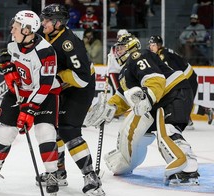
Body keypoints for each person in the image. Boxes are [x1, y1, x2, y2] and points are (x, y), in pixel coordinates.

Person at [85, 33, 200, 186]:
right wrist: (109, 108)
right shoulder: (125, 72)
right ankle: (128, 160)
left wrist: (148, 97)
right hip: (161, 100)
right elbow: (124, 96)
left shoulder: (138, 56)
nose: (118, 52)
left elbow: (154, 80)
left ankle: (187, 169)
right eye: (117, 49)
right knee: (141, 133)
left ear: (131, 47)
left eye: (121, 48)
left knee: (169, 130)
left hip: (174, 92)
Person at [0, 10, 62, 196]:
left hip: (45, 95)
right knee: (5, 131)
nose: (12, 31)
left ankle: (51, 174)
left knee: (45, 131)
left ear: (27, 30)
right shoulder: (13, 42)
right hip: (18, 92)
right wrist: (7, 69)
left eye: (15, 28)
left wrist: (29, 110)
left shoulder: (46, 51)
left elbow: (45, 86)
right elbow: (5, 53)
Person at [38, 3, 105, 196]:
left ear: (58, 23)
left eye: (47, 20)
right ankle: (59, 172)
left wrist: (58, 78)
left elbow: (82, 78)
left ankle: (91, 177)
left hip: (80, 87)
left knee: (68, 129)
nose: (43, 23)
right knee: (53, 126)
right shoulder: (46, 36)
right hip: (65, 87)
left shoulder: (69, 42)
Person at [148, 35, 213, 126]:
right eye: (150, 45)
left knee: (180, 101)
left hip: (188, 78)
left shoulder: (162, 55)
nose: (151, 47)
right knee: (180, 101)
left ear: (159, 45)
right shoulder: (163, 52)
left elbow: (168, 71)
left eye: (153, 45)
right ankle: (206, 111)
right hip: (187, 77)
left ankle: (191, 117)